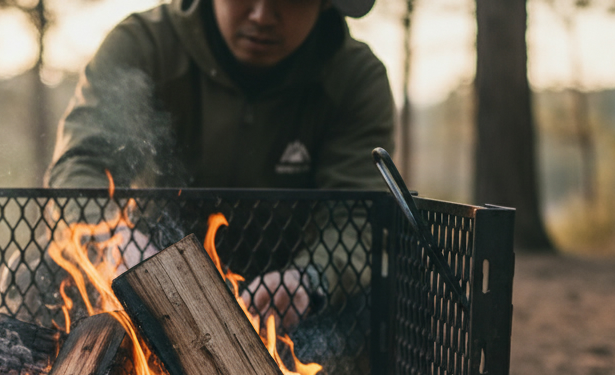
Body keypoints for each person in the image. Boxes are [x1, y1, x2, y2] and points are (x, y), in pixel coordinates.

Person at [46, 0, 394, 326]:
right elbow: (80, 166)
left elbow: (358, 217)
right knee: (38, 277)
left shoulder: (355, 78)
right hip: (147, 283)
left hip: (286, 301)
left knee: (388, 294)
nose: (261, 14)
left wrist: (310, 277)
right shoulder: (144, 46)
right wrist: (114, 239)